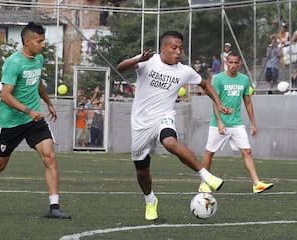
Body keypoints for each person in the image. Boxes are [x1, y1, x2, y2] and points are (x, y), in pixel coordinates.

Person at [0, 22, 71, 219]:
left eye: (43, 41)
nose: (43, 45)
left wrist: (48, 103)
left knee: (50, 156)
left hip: (34, 120)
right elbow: (6, 96)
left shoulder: (38, 59)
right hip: (12, 122)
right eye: (39, 41)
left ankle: (54, 207)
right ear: (27, 42)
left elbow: (37, 82)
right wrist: (28, 111)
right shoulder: (13, 63)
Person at [116, 31, 231, 221]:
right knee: (142, 170)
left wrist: (218, 103)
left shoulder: (184, 71)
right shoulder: (149, 60)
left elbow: (205, 85)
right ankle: (150, 200)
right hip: (141, 123)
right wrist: (139, 59)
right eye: (174, 48)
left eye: (181, 48)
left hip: (164, 116)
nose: (178, 52)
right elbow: (120, 67)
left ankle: (206, 175)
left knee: (170, 142)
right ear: (163, 48)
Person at [198, 52, 273, 194]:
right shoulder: (218, 79)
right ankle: (204, 183)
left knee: (247, 151)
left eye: (235, 63)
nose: (232, 65)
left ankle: (256, 184)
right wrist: (220, 122)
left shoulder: (244, 79)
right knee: (210, 153)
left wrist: (253, 124)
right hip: (218, 123)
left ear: (240, 64)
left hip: (237, 123)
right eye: (230, 62)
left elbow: (248, 103)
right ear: (226, 63)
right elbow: (215, 101)